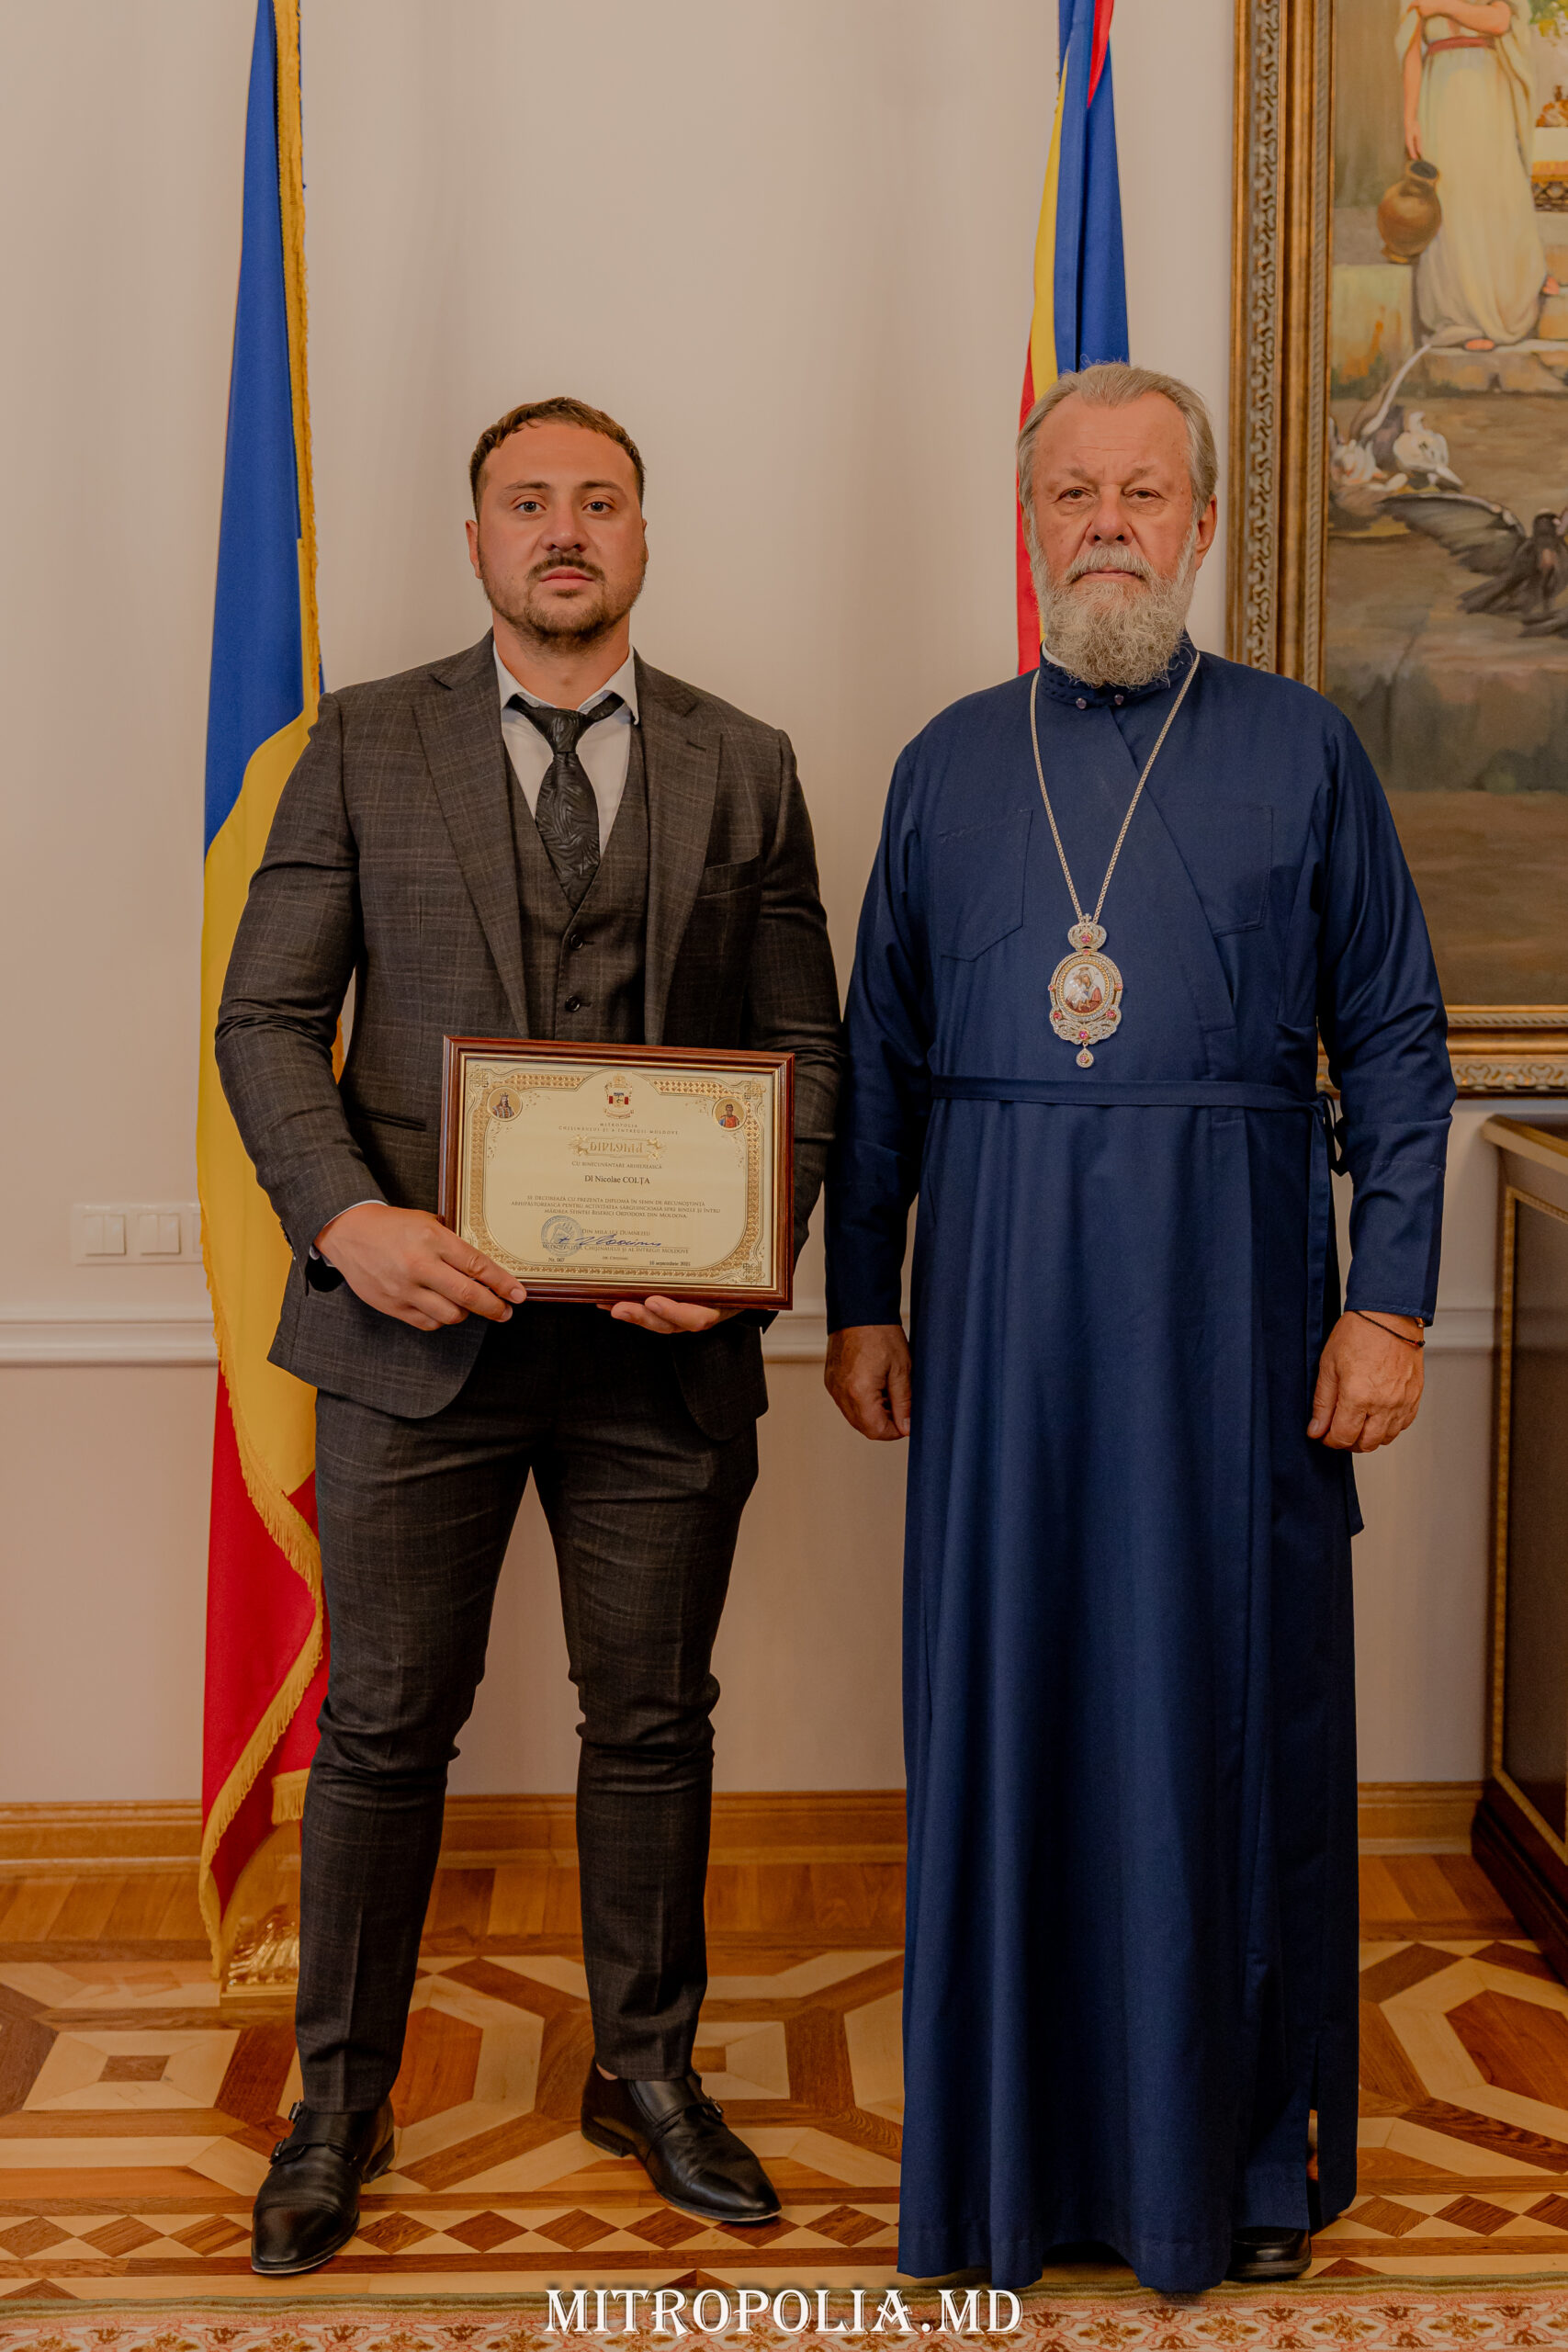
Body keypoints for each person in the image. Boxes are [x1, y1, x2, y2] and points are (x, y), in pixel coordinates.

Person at [823, 362, 1453, 2297]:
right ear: (1029, 526)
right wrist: (859, 1297)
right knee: (1010, 1708)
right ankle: (1002, 2171)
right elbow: (876, 1063)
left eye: (1143, 492)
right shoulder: (945, 762)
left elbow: (1396, 1043)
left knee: (1223, 1716)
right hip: (998, 1316)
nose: (1107, 522)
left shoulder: (1304, 749)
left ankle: (1232, 2165)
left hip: (1231, 1315)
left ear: (1200, 524)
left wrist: (1387, 1299)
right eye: (1072, 493)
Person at [217, 395, 841, 2275]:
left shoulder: (745, 760)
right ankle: (339, 2101)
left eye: (598, 501)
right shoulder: (360, 739)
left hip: (662, 1355)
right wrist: (349, 1224)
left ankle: (643, 2072)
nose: (563, 529)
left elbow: (806, 1048)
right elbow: (267, 1019)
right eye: (526, 502)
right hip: (416, 1345)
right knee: (383, 1727)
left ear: (643, 535)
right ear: (477, 538)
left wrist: (747, 1248)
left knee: (651, 1722)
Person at [1400, 0, 1548, 350]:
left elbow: (1499, 20)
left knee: (1492, 191)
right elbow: (1411, 52)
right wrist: (1409, 118)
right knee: (1450, 198)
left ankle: (1507, 299)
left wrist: (1442, 5)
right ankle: (1461, 318)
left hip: (1485, 90)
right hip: (1439, 95)